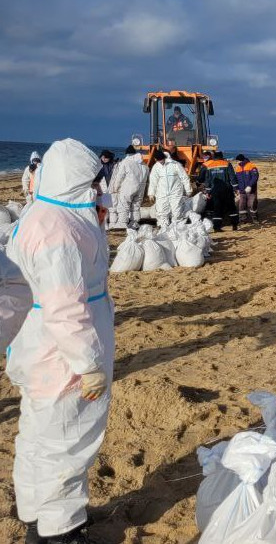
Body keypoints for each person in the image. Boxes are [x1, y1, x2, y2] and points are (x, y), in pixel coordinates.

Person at [6, 138, 114, 544]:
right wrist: (88, 364)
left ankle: (36, 513)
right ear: (76, 182)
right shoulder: (60, 232)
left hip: (38, 345)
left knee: (38, 432)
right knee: (67, 440)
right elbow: (65, 307)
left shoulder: (41, 216)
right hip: (61, 354)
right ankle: (60, 530)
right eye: (94, 181)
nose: (99, 188)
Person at [147, 149, 192, 227]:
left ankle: (177, 229)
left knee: (177, 211)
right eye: (158, 160)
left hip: (175, 192)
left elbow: (184, 177)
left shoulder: (175, 165)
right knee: (162, 212)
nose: (160, 161)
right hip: (161, 193)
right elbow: (153, 181)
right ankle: (163, 229)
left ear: (164, 157)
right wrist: (151, 193)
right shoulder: (156, 167)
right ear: (156, 159)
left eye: (161, 159)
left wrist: (188, 190)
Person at [107, 145, 148, 230]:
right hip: (141, 188)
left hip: (128, 187)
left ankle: (122, 223)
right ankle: (134, 223)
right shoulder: (144, 165)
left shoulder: (126, 162)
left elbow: (120, 176)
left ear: (127, 153)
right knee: (136, 206)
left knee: (123, 205)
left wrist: (115, 187)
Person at [199, 152, 240, 230]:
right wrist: (236, 188)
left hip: (215, 191)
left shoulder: (210, 166)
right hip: (227, 190)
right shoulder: (227, 164)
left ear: (214, 157)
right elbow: (232, 177)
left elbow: (208, 180)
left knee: (217, 208)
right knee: (231, 207)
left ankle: (217, 227)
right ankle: (234, 225)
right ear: (222, 157)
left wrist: (208, 192)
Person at [234, 154, 260, 223]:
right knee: (242, 205)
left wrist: (250, 186)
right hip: (242, 190)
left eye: (237, 161)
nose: (236, 162)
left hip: (251, 190)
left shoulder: (251, 166)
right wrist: (237, 188)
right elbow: (236, 179)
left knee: (252, 204)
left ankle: (255, 218)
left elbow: (255, 177)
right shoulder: (238, 168)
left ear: (240, 160)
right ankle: (243, 219)